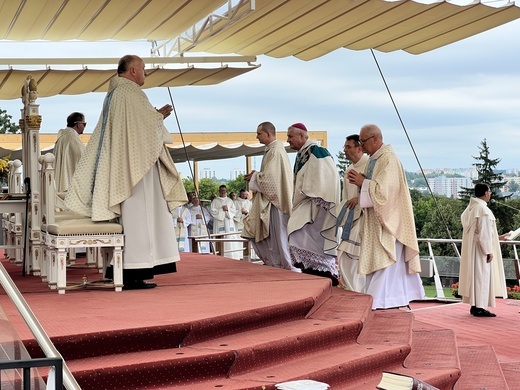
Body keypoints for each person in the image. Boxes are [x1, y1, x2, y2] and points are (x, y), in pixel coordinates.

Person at [65, 54, 187, 290]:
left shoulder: (115, 93)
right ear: (132, 71)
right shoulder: (129, 93)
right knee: (139, 218)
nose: (146, 73)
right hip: (136, 170)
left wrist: (154, 117)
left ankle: (128, 269)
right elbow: (144, 126)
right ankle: (134, 269)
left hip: (129, 165)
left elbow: (134, 127)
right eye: (143, 68)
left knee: (138, 218)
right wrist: (159, 115)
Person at [347, 124, 424, 309]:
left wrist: (363, 182)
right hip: (378, 221)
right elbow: (377, 187)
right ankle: (389, 301)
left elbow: (384, 193)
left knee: (386, 264)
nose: (361, 145)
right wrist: (364, 181)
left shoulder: (388, 159)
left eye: (363, 141)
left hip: (389, 224)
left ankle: (379, 302)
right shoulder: (376, 159)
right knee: (385, 267)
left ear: (376, 139)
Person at [286, 122, 340, 284]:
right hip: (306, 202)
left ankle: (325, 274)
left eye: (290, 136)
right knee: (296, 236)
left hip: (317, 205)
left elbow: (326, 176)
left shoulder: (316, 151)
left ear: (302, 136)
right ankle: (311, 271)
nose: (288, 140)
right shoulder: (303, 153)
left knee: (297, 234)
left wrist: (317, 195)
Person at [242, 121, 297, 271]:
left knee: (279, 238)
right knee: (274, 238)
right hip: (273, 201)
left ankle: (287, 267)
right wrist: (256, 175)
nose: (257, 136)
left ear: (268, 134)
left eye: (259, 133)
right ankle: (278, 265)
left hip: (276, 203)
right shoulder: (273, 150)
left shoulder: (275, 152)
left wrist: (255, 177)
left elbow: (270, 180)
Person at [459, 183, 508, 317]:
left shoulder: (471, 209)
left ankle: (475, 305)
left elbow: (478, 232)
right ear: (486, 193)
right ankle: (480, 307)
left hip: (473, 248)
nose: (490, 194)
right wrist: (488, 251)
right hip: (481, 249)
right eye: (490, 192)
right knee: (481, 276)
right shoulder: (483, 210)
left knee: (475, 276)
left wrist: (498, 237)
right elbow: (484, 234)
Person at [335, 134, 369, 292]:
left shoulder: (369, 166)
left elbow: (377, 190)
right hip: (351, 218)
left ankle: (358, 292)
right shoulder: (349, 169)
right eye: (345, 147)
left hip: (365, 219)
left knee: (351, 257)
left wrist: (359, 198)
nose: (345, 150)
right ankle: (354, 291)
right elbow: (345, 197)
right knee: (346, 257)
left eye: (348, 147)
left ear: (359, 148)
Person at [54, 112, 87, 193]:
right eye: (84, 124)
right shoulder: (72, 139)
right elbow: (85, 158)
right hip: (70, 185)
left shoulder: (62, 137)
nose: (84, 127)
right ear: (78, 124)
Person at [210, 185, 242, 259]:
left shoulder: (229, 200)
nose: (223, 192)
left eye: (224, 190)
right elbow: (212, 211)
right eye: (221, 190)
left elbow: (234, 210)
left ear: (226, 191)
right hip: (219, 222)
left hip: (228, 222)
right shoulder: (215, 201)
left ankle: (231, 255)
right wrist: (221, 210)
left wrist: (227, 209)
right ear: (219, 191)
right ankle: (219, 255)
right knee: (220, 237)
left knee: (229, 237)